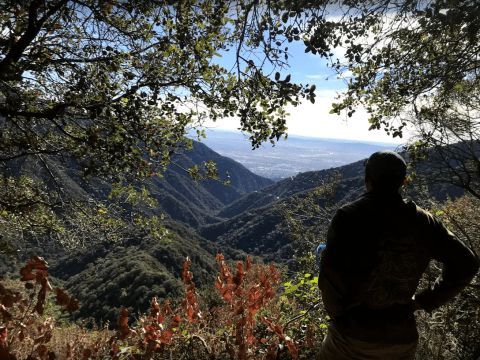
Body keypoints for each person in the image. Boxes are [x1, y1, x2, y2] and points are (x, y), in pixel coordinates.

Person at [316, 150, 479, 360]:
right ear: (403, 181)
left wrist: (338, 313)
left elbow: (331, 273)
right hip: (402, 338)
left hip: (352, 338)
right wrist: (423, 301)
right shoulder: (424, 222)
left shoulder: (349, 217)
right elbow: (467, 264)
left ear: (367, 179)